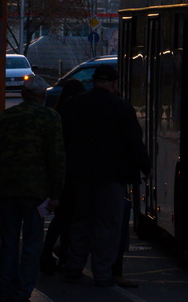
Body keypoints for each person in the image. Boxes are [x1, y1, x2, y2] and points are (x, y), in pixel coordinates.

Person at [0, 75, 64, 302]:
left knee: (9, 244)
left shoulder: (6, 117)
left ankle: (5, 295)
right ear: (43, 96)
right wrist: (56, 192)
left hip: (6, 189)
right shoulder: (50, 118)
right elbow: (56, 157)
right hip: (35, 191)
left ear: (22, 95)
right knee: (31, 244)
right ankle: (22, 295)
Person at [60, 64, 148, 288]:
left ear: (94, 81)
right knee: (108, 224)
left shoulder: (75, 105)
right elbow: (133, 141)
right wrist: (145, 166)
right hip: (112, 176)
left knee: (82, 220)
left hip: (80, 174)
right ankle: (102, 273)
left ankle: (74, 266)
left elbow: (63, 138)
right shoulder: (121, 107)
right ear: (114, 84)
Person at [40, 78, 86, 274]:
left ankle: (50, 252)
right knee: (69, 218)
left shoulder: (58, 113)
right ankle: (60, 254)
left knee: (61, 217)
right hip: (74, 173)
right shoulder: (79, 115)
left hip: (58, 173)